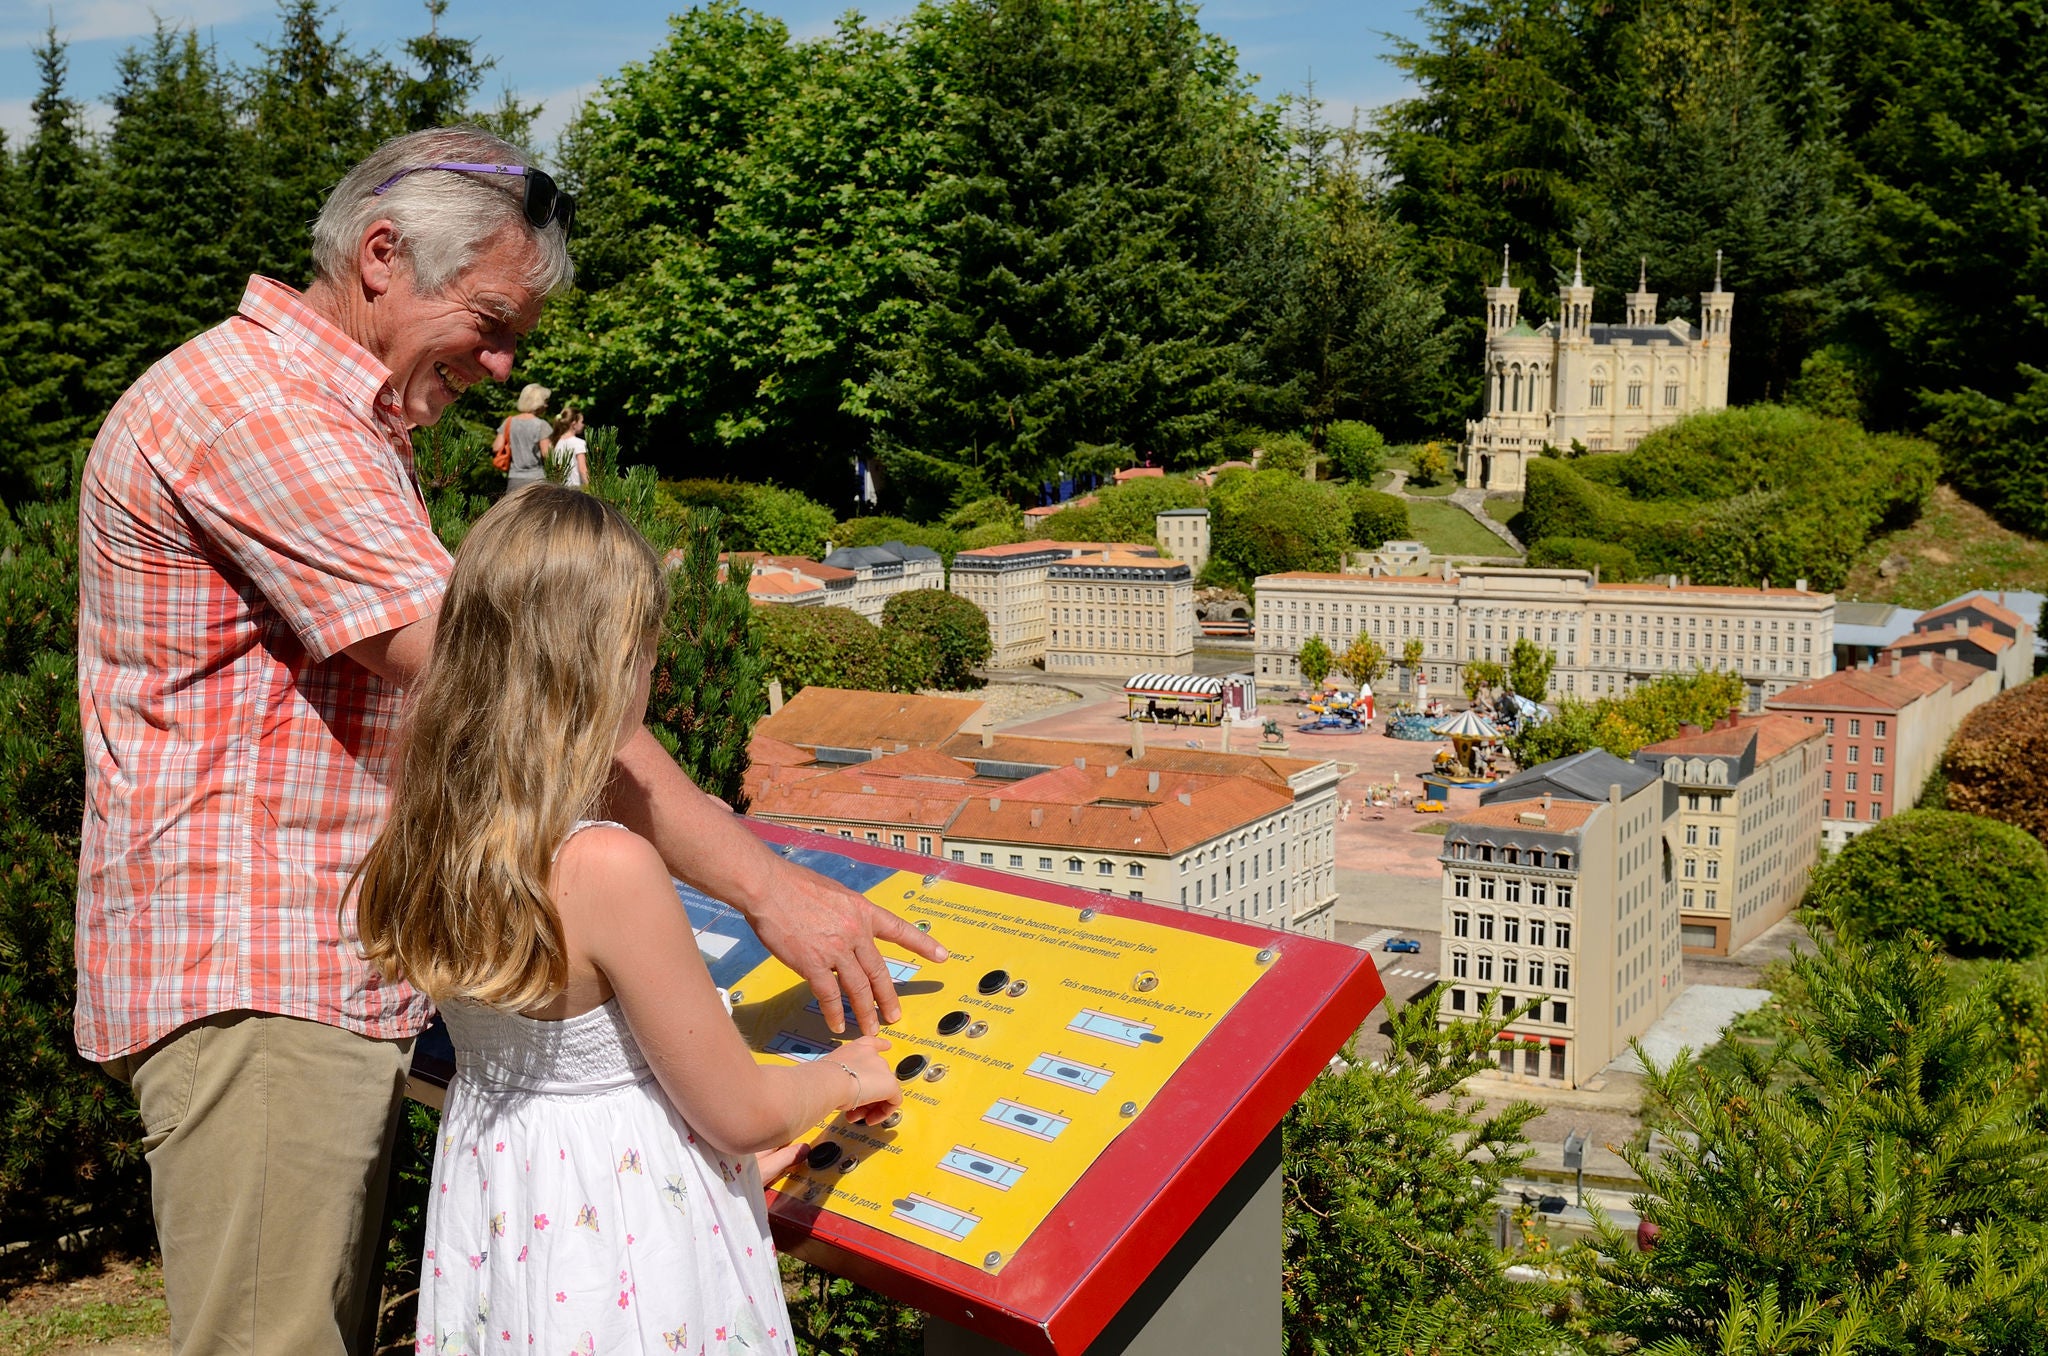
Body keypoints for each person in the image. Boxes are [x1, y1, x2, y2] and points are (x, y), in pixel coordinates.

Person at [76, 125, 943, 1356]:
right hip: (260, 973)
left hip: (296, 970)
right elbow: (527, 695)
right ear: (381, 256)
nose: (498, 363)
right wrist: (766, 888)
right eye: (488, 320)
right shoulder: (264, 416)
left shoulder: (322, 413)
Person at [356, 486, 903, 1353]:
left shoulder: (430, 829)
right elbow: (743, 1111)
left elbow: (571, 1092)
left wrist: (694, 1163)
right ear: (611, 661)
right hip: (625, 1260)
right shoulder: (604, 865)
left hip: (510, 1223)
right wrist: (848, 1076)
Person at [503, 382, 554, 491]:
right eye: (545, 402)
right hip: (535, 478)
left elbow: (497, 446)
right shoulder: (541, 424)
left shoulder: (509, 422)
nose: (546, 405)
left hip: (514, 477)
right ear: (538, 402)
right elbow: (548, 454)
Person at [551, 404, 590, 488]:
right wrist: (590, 488)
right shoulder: (579, 443)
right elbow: (583, 469)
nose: (583, 425)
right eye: (581, 422)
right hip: (575, 489)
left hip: (560, 487)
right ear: (574, 424)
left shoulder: (557, 442)